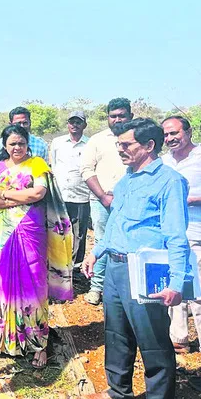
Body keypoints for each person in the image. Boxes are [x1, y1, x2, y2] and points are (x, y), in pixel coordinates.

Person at [82, 118, 190, 399]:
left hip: (146, 271)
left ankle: (159, 395)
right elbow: (115, 223)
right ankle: (118, 392)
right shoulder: (125, 180)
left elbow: (177, 235)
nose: (120, 149)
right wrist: (96, 252)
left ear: (149, 145)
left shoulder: (170, 182)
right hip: (116, 270)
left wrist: (176, 282)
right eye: (118, 144)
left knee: (152, 340)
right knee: (116, 336)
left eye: (126, 144)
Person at [0, 125, 73, 368]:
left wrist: (5, 195)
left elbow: (38, 194)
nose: (17, 148)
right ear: (5, 146)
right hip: (3, 233)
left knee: (34, 282)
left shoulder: (37, 165)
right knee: (2, 282)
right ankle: (6, 339)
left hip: (32, 230)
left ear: (28, 144)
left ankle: (38, 343)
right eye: (12, 144)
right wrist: (17, 195)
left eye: (21, 143)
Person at [80, 98, 132, 305]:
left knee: (127, 242)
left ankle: (125, 288)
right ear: (107, 118)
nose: (117, 119)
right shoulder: (97, 140)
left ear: (130, 116)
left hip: (130, 201)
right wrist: (103, 196)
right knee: (102, 241)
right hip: (101, 200)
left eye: (122, 115)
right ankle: (97, 287)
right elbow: (86, 169)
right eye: (113, 116)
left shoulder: (137, 138)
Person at [161, 116, 201, 354]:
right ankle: (179, 338)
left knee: (199, 290)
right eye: (166, 135)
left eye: (174, 133)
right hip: (170, 234)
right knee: (174, 285)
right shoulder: (164, 162)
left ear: (189, 131)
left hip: (197, 232)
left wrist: (187, 199)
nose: (170, 139)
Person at [50, 111, 90, 266]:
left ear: (84, 125)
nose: (74, 125)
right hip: (60, 195)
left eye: (78, 122)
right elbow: (53, 165)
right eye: (71, 122)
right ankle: (58, 263)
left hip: (82, 195)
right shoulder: (57, 143)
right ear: (67, 124)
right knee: (58, 230)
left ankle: (77, 265)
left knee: (79, 233)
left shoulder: (90, 144)